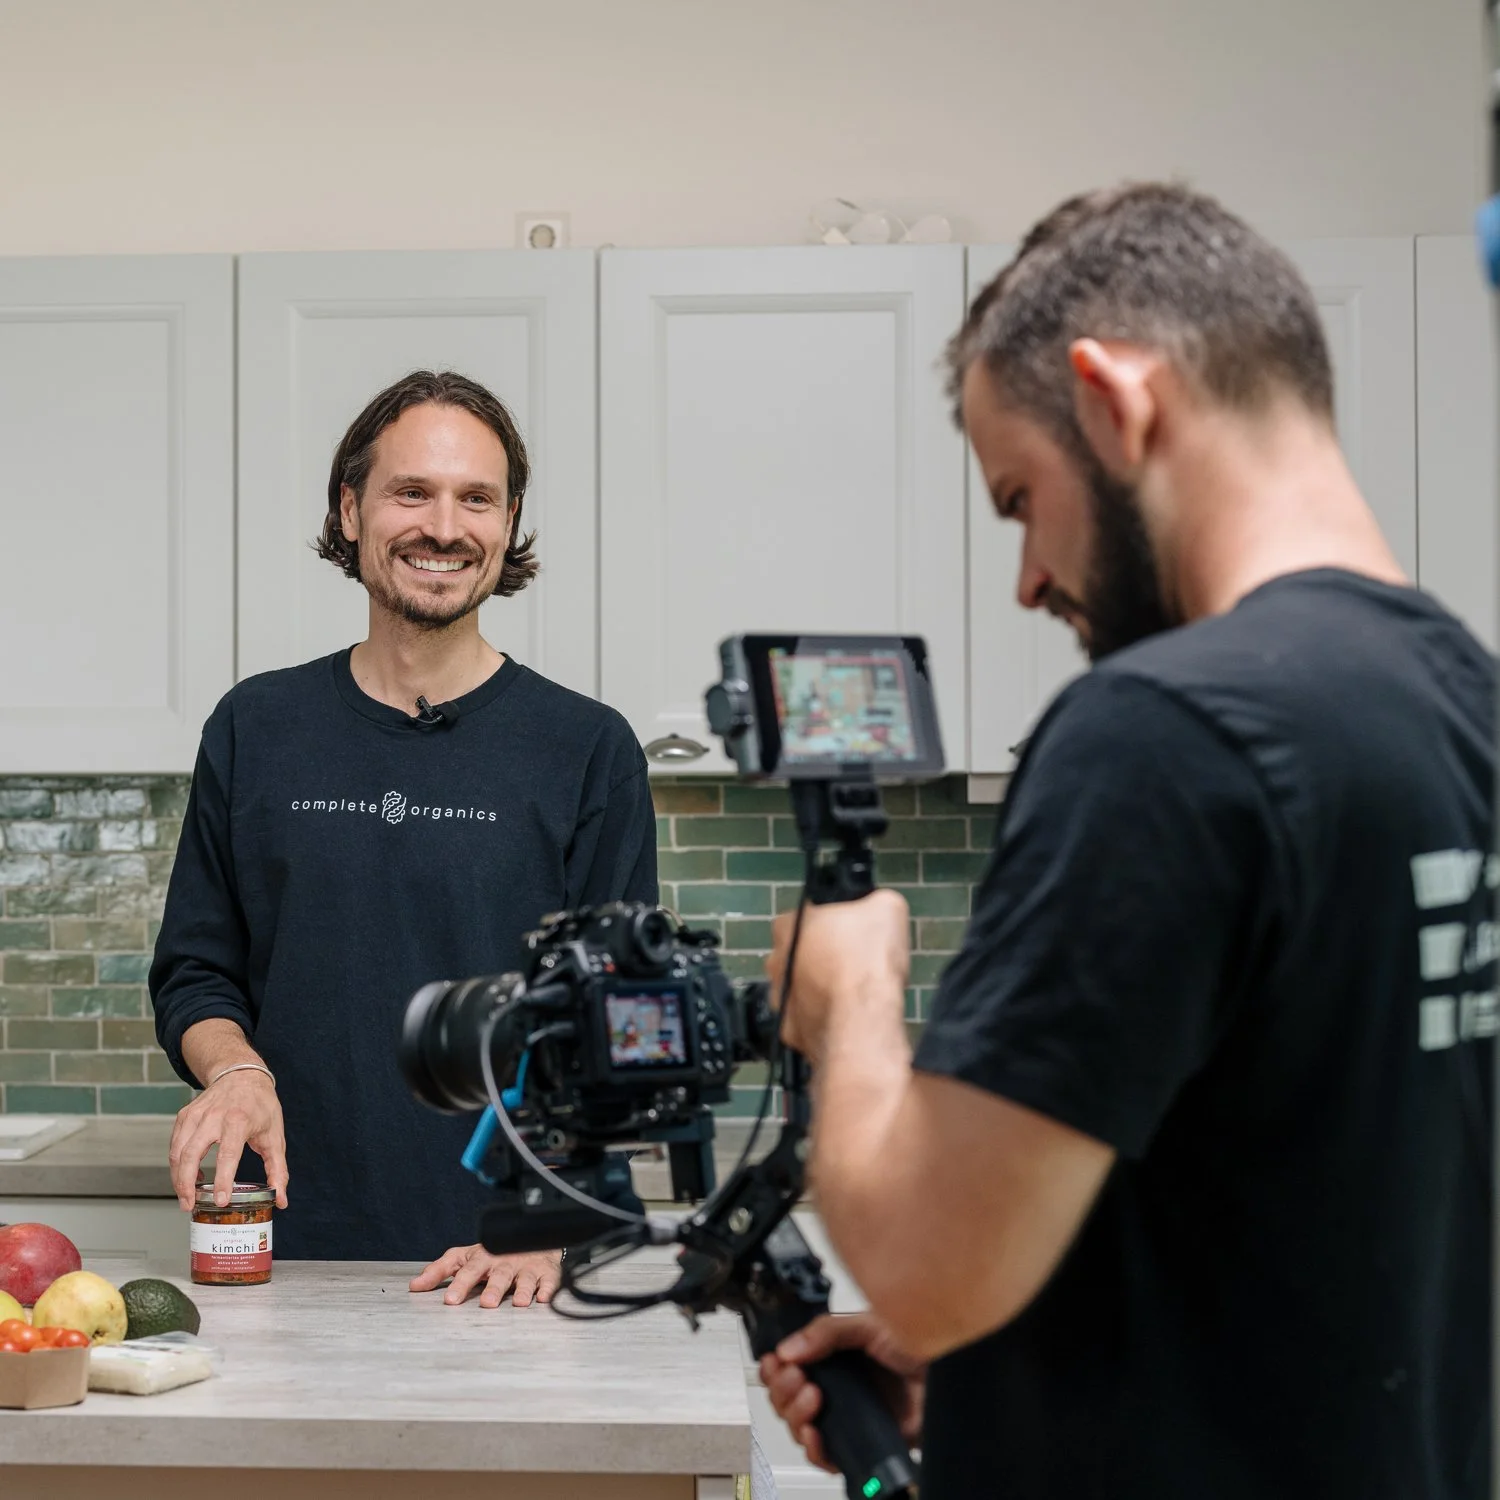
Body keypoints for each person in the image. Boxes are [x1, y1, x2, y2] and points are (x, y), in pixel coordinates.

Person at [758, 184, 1494, 1498]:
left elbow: (923, 1270)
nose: (1030, 576)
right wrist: (1029, 1362)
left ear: (1114, 398)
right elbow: (1312, 1187)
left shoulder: (1163, 729)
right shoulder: (1464, 700)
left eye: (1020, 499)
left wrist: (849, 990)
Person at [150, 370, 656, 1308]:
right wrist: (233, 1072)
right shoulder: (255, 726)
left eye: (477, 498)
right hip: (277, 1255)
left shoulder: (586, 747)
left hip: (504, 1270)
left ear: (507, 525)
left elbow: (613, 1021)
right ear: (350, 509)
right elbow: (195, 971)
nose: (445, 526)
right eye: (411, 492)